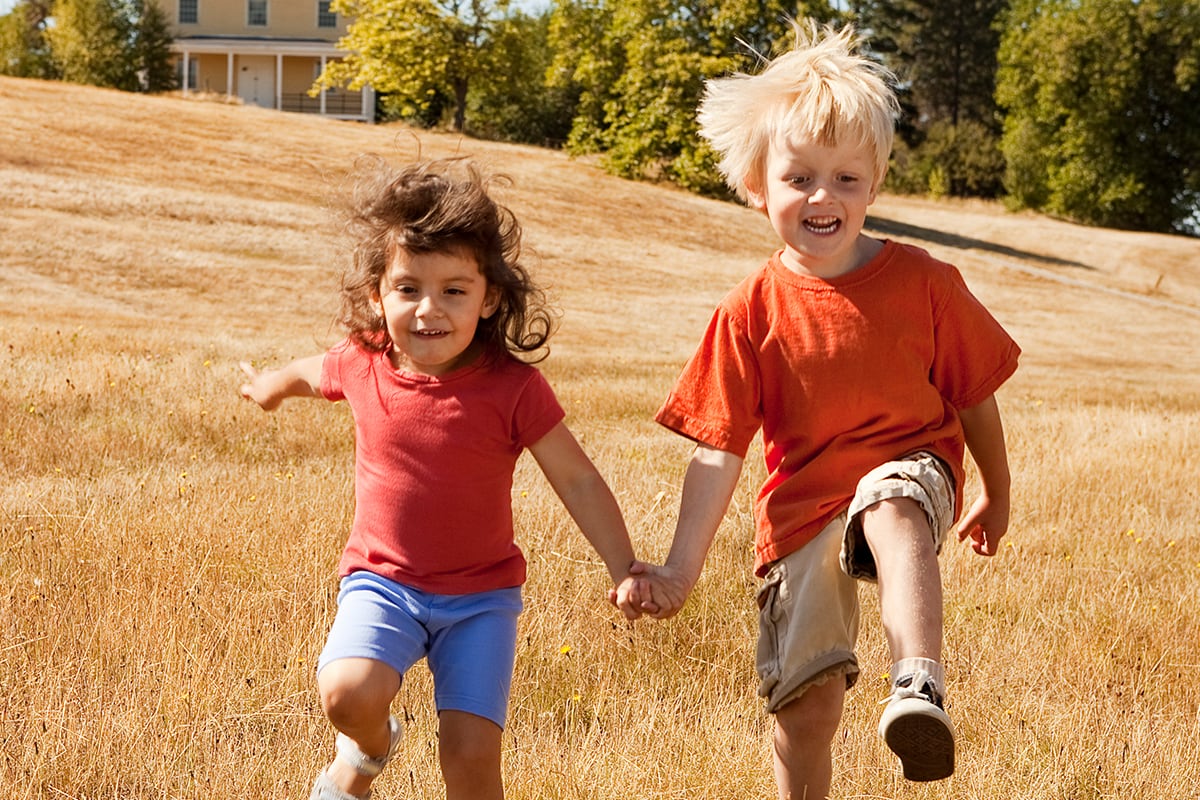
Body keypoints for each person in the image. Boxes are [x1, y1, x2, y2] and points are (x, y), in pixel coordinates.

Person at [625, 21, 1020, 797]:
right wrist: (678, 569)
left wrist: (996, 492)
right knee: (803, 714)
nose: (822, 197)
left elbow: (976, 395)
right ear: (756, 185)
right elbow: (718, 451)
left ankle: (918, 686)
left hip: (914, 467)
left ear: (875, 183)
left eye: (846, 178)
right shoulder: (749, 310)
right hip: (802, 510)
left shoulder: (928, 284)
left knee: (893, 501)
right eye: (800, 177)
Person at [240, 156, 645, 800]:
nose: (430, 309)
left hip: (481, 600)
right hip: (383, 582)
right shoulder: (362, 361)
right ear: (378, 294)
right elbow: (307, 371)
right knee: (345, 693)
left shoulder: (513, 389)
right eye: (408, 288)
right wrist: (269, 388)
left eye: (454, 290)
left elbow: (579, 481)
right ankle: (368, 755)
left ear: (489, 300)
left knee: (472, 758)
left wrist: (624, 566)